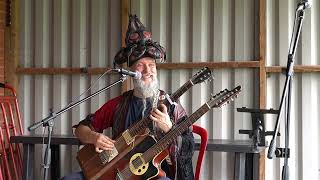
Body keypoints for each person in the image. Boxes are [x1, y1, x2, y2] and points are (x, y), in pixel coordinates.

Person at [62, 14, 194, 180]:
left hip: (153, 173)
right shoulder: (118, 104)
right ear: (132, 72)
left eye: (152, 65)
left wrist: (169, 128)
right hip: (116, 172)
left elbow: (188, 144)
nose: (148, 71)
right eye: (141, 66)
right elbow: (81, 129)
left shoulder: (171, 105)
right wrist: (94, 137)